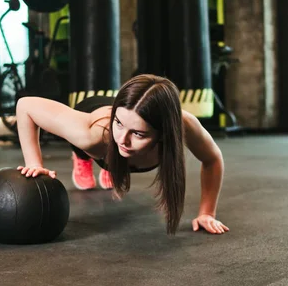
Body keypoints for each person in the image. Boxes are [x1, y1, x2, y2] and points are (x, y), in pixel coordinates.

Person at [15, 74, 228, 235]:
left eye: (138, 134)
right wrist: (35, 163)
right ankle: (82, 158)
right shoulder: (94, 133)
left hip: (126, 112)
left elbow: (212, 159)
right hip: (96, 120)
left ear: (163, 134)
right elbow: (26, 106)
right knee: (86, 146)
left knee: (116, 147)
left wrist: (207, 213)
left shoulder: (183, 125)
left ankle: (115, 162)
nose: (123, 140)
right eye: (120, 126)